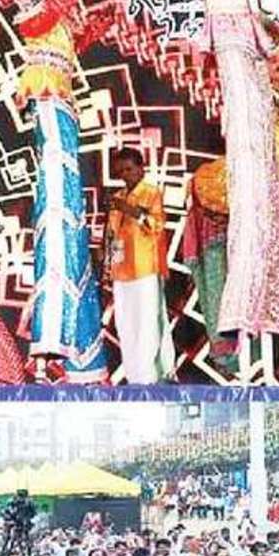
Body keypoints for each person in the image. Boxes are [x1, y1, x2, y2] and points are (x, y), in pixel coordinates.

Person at [195, 0, 279, 377]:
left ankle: (269, 302)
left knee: (263, 148)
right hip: (231, 41)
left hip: (251, 41)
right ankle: (241, 302)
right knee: (248, 152)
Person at [12, 0, 115, 383]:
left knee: (68, 203)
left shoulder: (66, 3)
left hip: (65, 97)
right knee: (56, 198)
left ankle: (79, 350)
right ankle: (51, 337)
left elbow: (75, 42)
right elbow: (32, 25)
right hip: (45, 91)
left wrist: (103, 18)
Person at [103, 148, 174, 384]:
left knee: (148, 322)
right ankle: (135, 375)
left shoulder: (152, 193)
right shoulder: (118, 196)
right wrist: (109, 266)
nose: (125, 175)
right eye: (120, 171)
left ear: (141, 168)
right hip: (121, 271)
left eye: (129, 169)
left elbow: (157, 226)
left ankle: (150, 375)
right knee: (126, 324)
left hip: (146, 268)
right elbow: (113, 234)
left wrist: (130, 210)